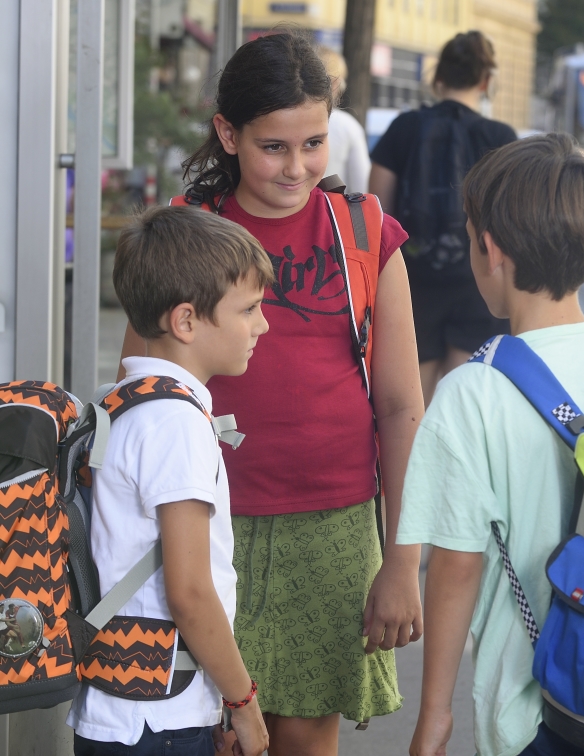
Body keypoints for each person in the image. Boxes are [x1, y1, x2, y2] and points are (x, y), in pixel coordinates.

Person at [118, 30, 424, 756]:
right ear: (228, 133)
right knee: (212, 730)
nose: (297, 167)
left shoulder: (364, 230)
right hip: (204, 528)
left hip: (336, 528)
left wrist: (401, 560)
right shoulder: (189, 234)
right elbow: (141, 391)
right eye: (274, 147)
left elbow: (402, 407)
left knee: (304, 735)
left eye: (313, 143)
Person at [396, 134, 584, 756]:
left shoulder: (472, 392)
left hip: (532, 714)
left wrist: (434, 715)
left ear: (489, 249)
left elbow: (456, 566)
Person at [67, 205, 272, 756]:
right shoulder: (177, 424)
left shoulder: (122, 405)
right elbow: (189, 590)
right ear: (185, 321)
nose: (262, 324)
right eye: (249, 309)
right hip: (162, 721)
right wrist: (243, 703)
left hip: (117, 704)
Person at [369, 30, 517, 406]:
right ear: (485, 81)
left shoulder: (404, 127)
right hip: (479, 284)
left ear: (439, 77)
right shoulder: (501, 137)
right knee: (459, 404)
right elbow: (513, 222)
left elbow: (377, 212)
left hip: (411, 283)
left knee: (408, 406)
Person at [318, 47, 371, 193]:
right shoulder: (348, 126)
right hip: (333, 211)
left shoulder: (286, 118)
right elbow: (362, 187)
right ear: (336, 82)